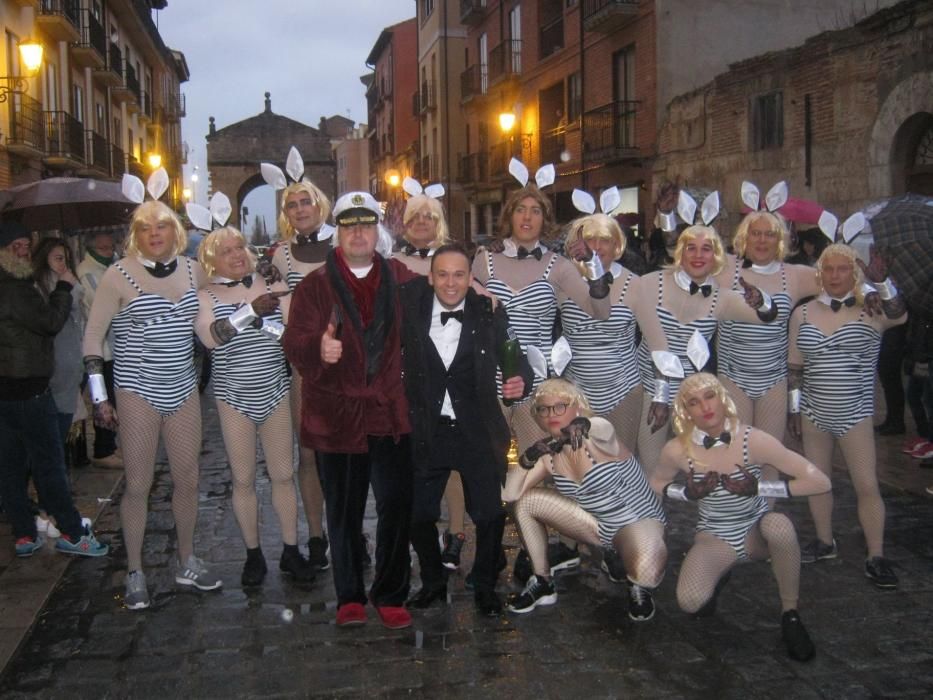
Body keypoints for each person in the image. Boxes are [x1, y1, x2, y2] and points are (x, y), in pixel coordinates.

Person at [283, 191, 418, 629]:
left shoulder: (403, 279)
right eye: (349, 225)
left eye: (365, 224)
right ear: (337, 232)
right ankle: (349, 595)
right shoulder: (314, 286)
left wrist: (481, 295)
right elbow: (293, 341)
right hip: (335, 415)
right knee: (342, 510)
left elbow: (447, 292)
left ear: (377, 230)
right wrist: (316, 347)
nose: (358, 232)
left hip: (389, 412)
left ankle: (391, 590)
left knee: (396, 506)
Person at [83, 199, 220, 610]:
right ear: (136, 235)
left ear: (175, 231)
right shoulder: (118, 275)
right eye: (145, 228)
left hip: (182, 391)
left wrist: (258, 294)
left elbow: (214, 322)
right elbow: (93, 339)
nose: (154, 233)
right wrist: (99, 396)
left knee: (188, 479)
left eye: (161, 225)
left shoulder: (194, 271)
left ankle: (186, 559)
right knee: (139, 485)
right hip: (136, 391)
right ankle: (136, 570)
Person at [471, 180, 613, 575]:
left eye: (535, 211)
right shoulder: (485, 260)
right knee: (491, 466)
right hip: (493, 380)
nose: (528, 217)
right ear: (509, 217)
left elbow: (597, 308)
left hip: (539, 385)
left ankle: (535, 545)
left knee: (541, 467)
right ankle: (491, 546)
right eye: (521, 210)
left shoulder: (559, 265)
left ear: (545, 220)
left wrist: (595, 268)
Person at [655, 373, 830, 662]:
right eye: (694, 402)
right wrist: (687, 493)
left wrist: (759, 487)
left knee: (780, 526)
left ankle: (791, 615)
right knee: (689, 602)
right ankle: (720, 571)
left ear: (722, 399)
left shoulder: (753, 439)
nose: (706, 407)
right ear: (686, 412)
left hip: (755, 532)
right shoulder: (678, 449)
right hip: (714, 535)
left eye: (710, 396)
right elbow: (655, 482)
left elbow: (820, 481)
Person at [400, 244, 532, 617]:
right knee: (419, 514)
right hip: (428, 428)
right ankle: (432, 581)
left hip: (476, 427)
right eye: (442, 274)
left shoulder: (488, 311)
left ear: (471, 278)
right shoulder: (410, 304)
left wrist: (519, 379)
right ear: (429, 277)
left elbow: (515, 354)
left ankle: (486, 583)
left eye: (459, 274)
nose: (451, 282)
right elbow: (381, 272)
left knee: (489, 514)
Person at [194, 227, 315, 587]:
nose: (235, 256)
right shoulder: (204, 295)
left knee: (282, 474)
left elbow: (295, 337)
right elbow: (209, 339)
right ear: (211, 260)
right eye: (225, 251)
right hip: (233, 398)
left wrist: (266, 321)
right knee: (243, 479)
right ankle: (253, 554)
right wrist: (248, 313)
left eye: (239, 248)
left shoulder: (272, 287)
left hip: (275, 392)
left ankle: (292, 550)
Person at [788, 243, 907, 588]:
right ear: (820, 273)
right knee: (819, 480)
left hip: (854, 414)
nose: (835, 275)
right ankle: (825, 541)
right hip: (813, 412)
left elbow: (899, 313)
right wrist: (795, 408)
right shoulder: (804, 313)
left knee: (866, 484)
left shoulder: (872, 309)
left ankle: (876, 554)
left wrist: (881, 283)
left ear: (854, 273)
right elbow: (795, 366)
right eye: (829, 269)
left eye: (843, 269)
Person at [503, 379, 667, 620]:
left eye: (561, 406)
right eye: (544, 409)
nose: (552, 414)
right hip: (596, 526)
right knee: (526, 502)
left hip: (637, 519)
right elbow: (509, 494)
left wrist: (584, 424)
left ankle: (637, 585)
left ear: (577, 407)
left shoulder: (597, 435)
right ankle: (542, 581)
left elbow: (602, 428)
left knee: (646, 573)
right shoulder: (550, 455)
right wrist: (528, 457)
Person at [630, 224, 777, 480]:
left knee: (704, 468)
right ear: (680, 253)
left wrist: (762, 301)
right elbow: (655, 344)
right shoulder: (650, 284)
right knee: (651, 467)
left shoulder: (722, 298)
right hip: (650, 389)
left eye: (706, 249)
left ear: (716, 256)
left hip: (692, 396)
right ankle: (651, 516)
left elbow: (766, 317)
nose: (698, 255)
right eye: (691, 248)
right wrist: (661, 396)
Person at [0, 221, 108, 559]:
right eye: (14, 246)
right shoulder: (15, 288)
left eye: (24, 245)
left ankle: (24, 533)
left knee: (12, 467)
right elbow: (48, 323)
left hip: (8, 391)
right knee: (49, 467)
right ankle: (73, 533)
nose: (22, 251)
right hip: (30, 391)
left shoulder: (15, 284)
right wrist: (62, 288)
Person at [393, 192, 469, 571]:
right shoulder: (391, 263)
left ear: (439, 220)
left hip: (452, 370)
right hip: (412, 375)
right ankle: (419, 534)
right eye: (415, 216)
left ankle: (456, 534)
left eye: (429, 215)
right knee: (417, 462)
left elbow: (478, 300)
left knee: (454, 461)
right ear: (405, 222)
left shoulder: (454, 260)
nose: (422, 221)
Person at [714, 209, 824, 443]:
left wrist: (875, 289)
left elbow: (842, 278)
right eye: (756, 233)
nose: (762, 240)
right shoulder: (724, 269)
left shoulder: (793, 275)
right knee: (736, 454)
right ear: (744, 237)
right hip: (732, 378)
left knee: (769, 457)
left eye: (770, 234)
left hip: (773, 381)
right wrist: (666, 217)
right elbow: (684, 258)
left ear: (781, 240)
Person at [270, 179, 334, 570]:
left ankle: (350, 531)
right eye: (291, 204)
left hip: (348, 363)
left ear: (319, 204)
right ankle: (315, 535)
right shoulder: (279, 257)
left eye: (305, 201)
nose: (299, 208)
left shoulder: (346, 243)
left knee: (349, 455)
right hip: (305, 369)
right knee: (308, 454)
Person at [77, 230, 122, 468]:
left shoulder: (112, 267)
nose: (108, 251)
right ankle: (103, 449)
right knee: (101, 397)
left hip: (113, 347)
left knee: (112, 396)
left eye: (110, 246)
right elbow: (101, 302)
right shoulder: (87, 271)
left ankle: (110, 445)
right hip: (98, 349)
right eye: (103, 247)